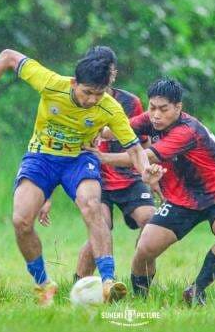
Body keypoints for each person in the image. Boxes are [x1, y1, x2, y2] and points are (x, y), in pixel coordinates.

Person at [0, 49, 164, 306]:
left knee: (92, 205)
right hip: (41, 158)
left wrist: (145, 172)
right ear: (74, 82)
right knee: (21, 221)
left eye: (99, 93)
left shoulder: (110, 108)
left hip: (79, 160)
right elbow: (7, 56)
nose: (92, 100)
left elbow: (135, 149)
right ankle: (43, 283)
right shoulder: (51, 83)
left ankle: (108, 282)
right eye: (87, 92)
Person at [89, 78, 215, 306]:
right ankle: (141, 300)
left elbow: (146, 156)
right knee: (144, 250)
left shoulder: (187, 131)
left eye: (163, 109)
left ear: (178, 108)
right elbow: (117, 130)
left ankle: (197, 290)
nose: (156, 115)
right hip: (181, 201)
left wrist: (102, 157)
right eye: (152, 107)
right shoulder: (150, 119)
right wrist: (93, 132)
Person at [36, 46, 157, 281]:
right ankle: (80, 285)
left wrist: (150, 176)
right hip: (94, 177)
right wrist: (46, 194)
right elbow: (50, 150)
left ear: (113, 73)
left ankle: (140, 283)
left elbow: (141, 146)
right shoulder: (69, 100)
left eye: (108, 70)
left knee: (151, 221)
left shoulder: (129, 103)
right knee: (101, 226)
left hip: (128, 177)